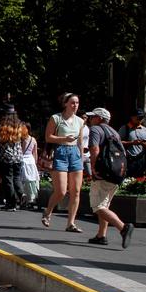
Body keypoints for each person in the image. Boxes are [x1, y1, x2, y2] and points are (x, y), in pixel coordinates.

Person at [86, 108, 134, 248]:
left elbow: (94, 149)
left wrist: (94, 168)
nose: (90, 119)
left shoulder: (96, 130)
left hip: (104, 173)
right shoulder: (114, 132)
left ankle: (123, 228)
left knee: (98, 206)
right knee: (105, 205)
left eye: (93, 116)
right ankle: (101, 235)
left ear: (99, 118)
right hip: (117, 173)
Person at [42, 93, 86, 232]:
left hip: (75, 154)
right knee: (61, 191)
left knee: (76, 191)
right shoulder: (56, 118)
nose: (75, 105)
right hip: (60, 152)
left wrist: (82, 157)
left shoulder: (80, 121)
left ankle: (70, 223)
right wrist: (64, 139)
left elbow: (79, 141)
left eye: (77, 103)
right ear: (65, 103)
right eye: (72, 102)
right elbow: (48, 137)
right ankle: (48, 211)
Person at [0, 111, 28, 212]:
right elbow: (25, 140)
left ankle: (11, 203)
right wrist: (22, 153)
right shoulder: (21, 126)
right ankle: (22, 194)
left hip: (6, 157)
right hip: (18, 157)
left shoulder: (1, 127)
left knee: (8, 180)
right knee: (16, 178)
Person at [118, 108, 146, 181]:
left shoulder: (145, 130)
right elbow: (118, 143)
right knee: (126, 180)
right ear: (132, 117)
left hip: (141, 160)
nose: (140, 119)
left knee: (139, 180)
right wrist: (132, 143)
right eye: (137, 117)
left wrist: (144, 144)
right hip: (128, 159)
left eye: (141, 117)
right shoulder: (124, 128)